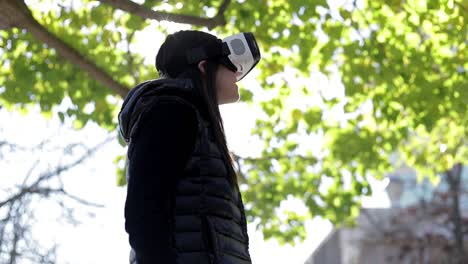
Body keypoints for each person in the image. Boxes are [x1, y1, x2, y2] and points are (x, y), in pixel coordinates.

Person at [118, 30, 261, 264]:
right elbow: (144, 210)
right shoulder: (171, 111)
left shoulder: (195, 120)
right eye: (228, 64)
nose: (237, 72)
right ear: (204, 67)